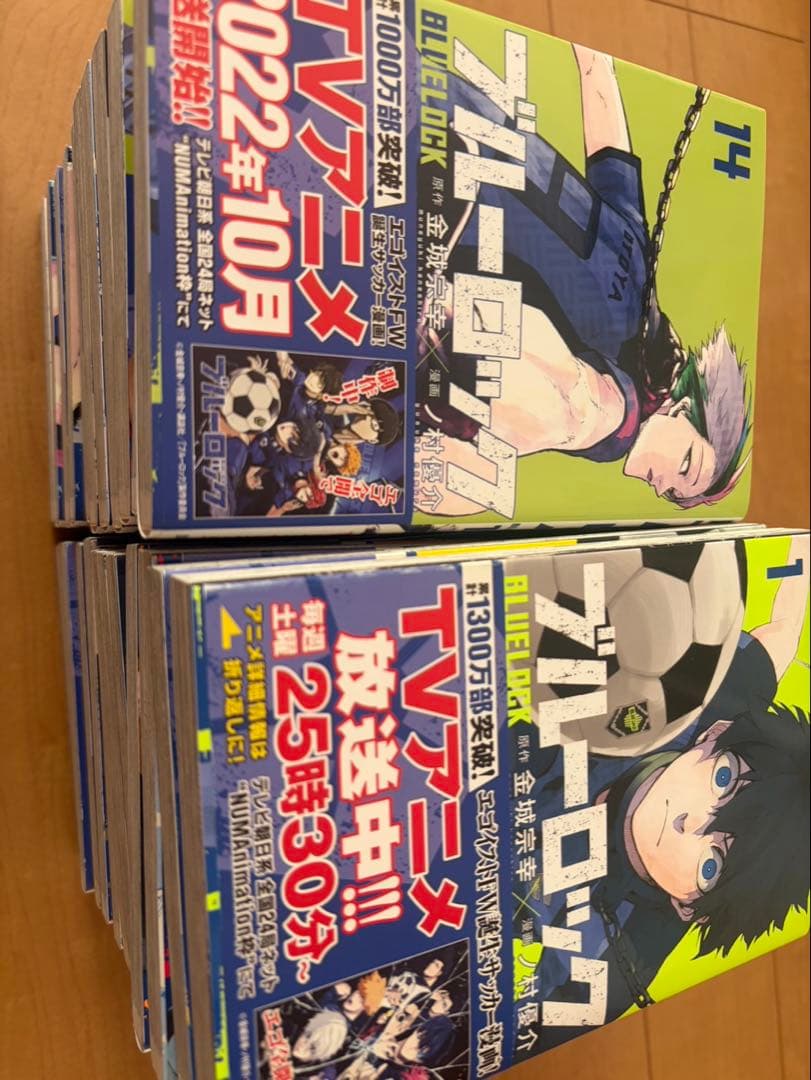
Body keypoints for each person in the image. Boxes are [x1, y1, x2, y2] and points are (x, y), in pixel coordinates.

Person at [416, 46, 751, 517]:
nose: (664, 488)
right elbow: (562, 406)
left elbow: (597, 72)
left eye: (675, 494)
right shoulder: (612, 417)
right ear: (681, 409)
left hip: (436, 105)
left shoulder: (637, 253)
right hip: (413, 210)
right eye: (686, 466)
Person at [518, 534, 809, 1054]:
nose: (690, 823)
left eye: (711, 865)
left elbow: (493, 1031)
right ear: (715, 736)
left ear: (690, 909)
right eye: (723, 781)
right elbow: (784, 628)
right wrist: (798, 545)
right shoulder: (705, 698)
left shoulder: (612, 963)